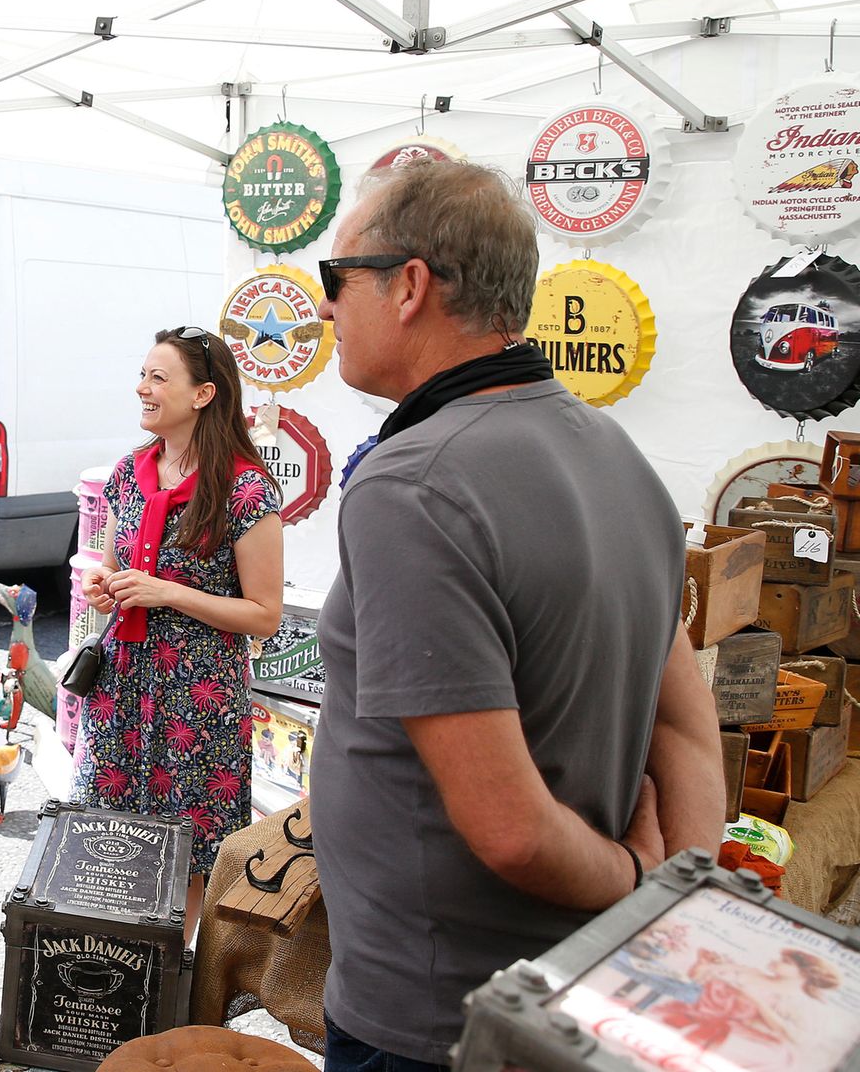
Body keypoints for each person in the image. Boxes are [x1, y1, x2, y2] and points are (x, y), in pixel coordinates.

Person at [308, 159, 725, 1071]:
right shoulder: (619, 455)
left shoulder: (411, 482)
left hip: (437, 1018)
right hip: (580, 993)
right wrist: (676, 907)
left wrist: (636, 881)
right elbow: (689, 727)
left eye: (336, 280)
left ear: (410, 284)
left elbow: (509, 827)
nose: (327, 309)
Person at [77, 326, 285, 939]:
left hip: (197, 696)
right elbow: (115, 565)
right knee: (108, 837)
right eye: (143, 374)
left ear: (203, 395)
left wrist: (167, 591)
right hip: (121, 686)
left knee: (187, 850)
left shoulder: (246, 488)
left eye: (158, 377)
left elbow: (265, 614)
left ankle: (170, 975)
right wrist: (104, 582)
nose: (142, 388)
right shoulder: (128, 472)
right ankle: (111, 979)